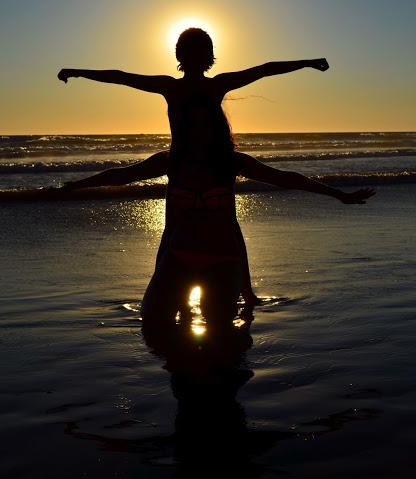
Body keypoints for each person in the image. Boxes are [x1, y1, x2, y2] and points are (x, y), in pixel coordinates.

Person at [57, 27, 329, 305]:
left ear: (201, 56)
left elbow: (264, 70)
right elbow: (121, 78)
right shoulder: (188, 86)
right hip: (180, 163)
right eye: (192, 51)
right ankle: (216, 289)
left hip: (206, 163)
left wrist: (306, 63)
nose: (195, 56)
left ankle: (242, 291)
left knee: (212, 226)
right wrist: (78, 72)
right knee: (195, 227)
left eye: (198, 51)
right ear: (185, 55)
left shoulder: (193, 86)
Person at [62, 96, 375, 333]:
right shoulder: (171, 162)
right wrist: (74, 185)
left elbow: (286, 178)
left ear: (217, 127)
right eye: (193, 124)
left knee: (221, 338)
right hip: (178, 260)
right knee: (153, 327)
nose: (200, 131)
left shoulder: (232, 162)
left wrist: (338, 195)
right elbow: (120, 175)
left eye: (206, 124)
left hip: (222, 265)